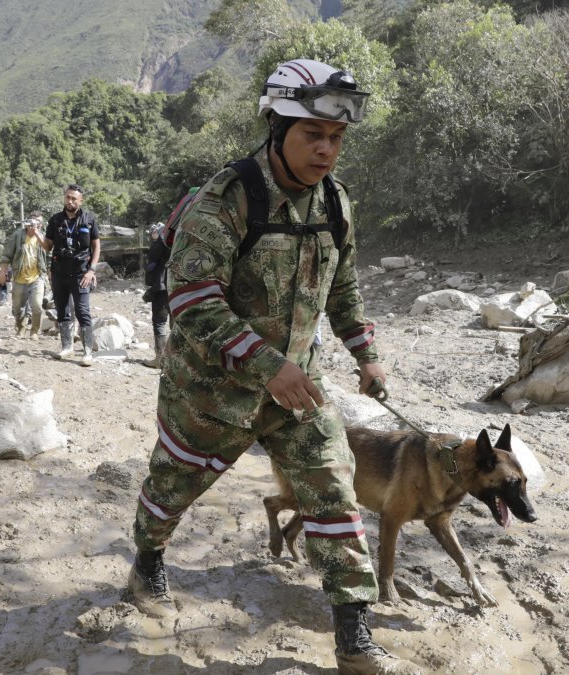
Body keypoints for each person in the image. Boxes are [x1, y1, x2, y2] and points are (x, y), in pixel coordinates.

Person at [126, 59, 419, 675]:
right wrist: (265, 364)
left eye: (336, 138)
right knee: (173, 487)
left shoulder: (337, 204)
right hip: (211, 390)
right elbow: (191, 300)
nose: (326, 149)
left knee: (333, 493)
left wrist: (365, 353)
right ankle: (149, 558)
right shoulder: (224, 200)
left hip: (297, 392)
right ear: (276, 125)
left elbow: (344, 288)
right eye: (312, 133)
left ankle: (353, 635)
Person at [41, 184, 100, 366]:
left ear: (80, 201)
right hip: (59, 272)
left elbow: (96, 246)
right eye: (67, 197)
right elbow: (48, 246)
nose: (70, 201)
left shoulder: (89, 219)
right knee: (63, 311)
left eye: (74, 198)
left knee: (83, 312)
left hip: (81, 273)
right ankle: (67, 347)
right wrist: (36, 233)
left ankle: (88, 352)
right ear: (64, 198)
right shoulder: (56, 220)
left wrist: (92, 270)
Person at [0, 213, 48, 339]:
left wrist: (50, 274)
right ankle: (21, 329)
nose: (35, 224)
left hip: (37, 277)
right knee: (17, 309)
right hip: (19, 278)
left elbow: (49, 254)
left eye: (38, 223)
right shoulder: (17, 236)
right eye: (33, 221)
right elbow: (6, 255)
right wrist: (2, 273)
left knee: (37, 306)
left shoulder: (42, 237)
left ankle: (34, 331)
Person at [142, 221, 170, 360]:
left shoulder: (159, 243)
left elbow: (151, 264)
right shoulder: (177, 241)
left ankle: (160, 359)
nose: (152, 234)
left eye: (154, 231)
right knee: (176, 321)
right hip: (176, 286)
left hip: (161, 287)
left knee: (159, 321)